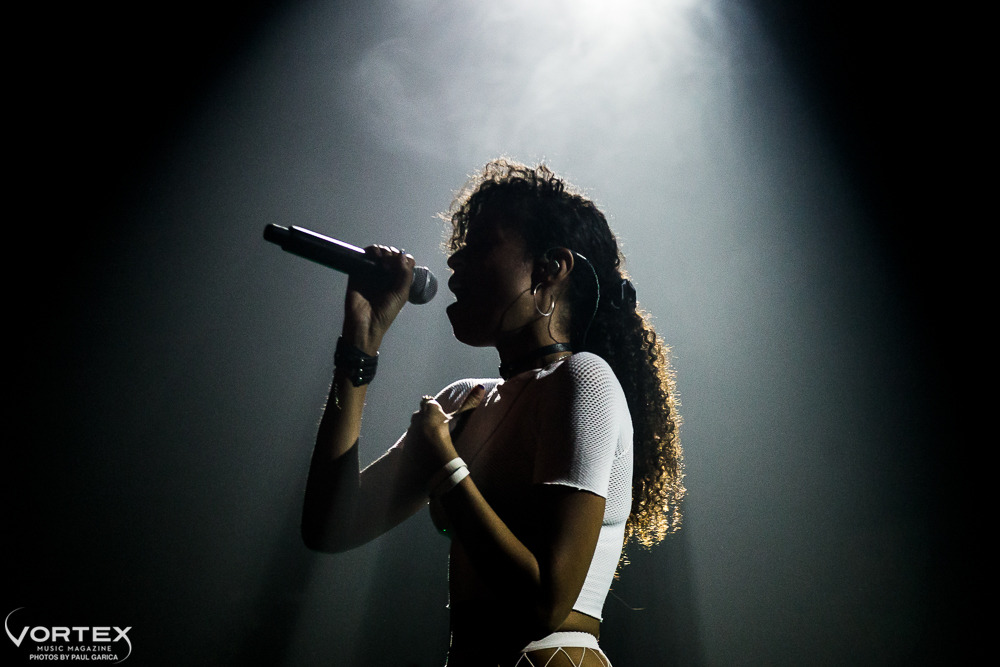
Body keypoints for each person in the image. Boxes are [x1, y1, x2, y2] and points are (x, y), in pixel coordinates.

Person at [301, 158, 684, 666]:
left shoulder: (583, 380)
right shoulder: (463, 401)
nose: (455, 261)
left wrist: (448, 468)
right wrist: (359, 347)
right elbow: (331, 525)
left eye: (481, 245)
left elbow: (544, 604)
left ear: (550, 269)